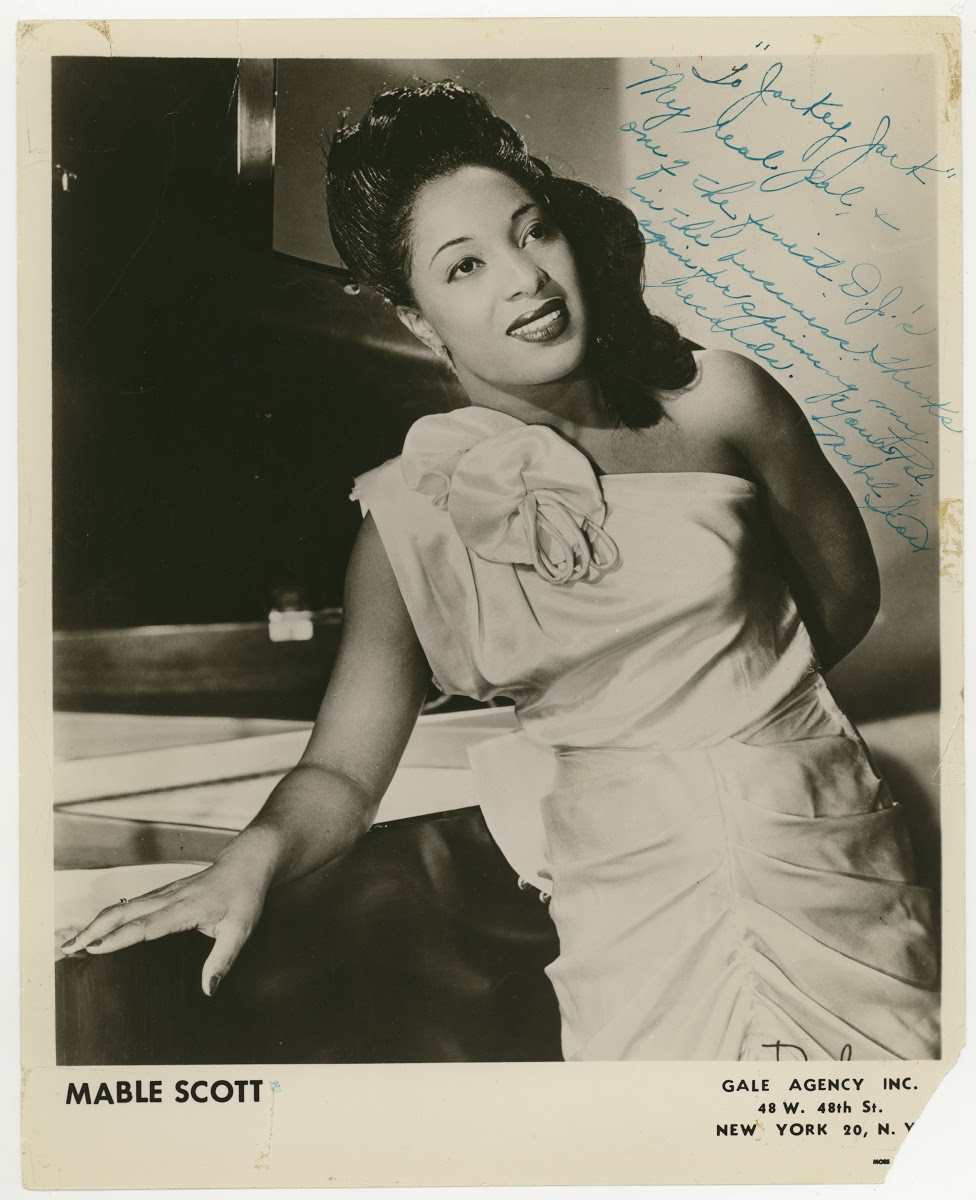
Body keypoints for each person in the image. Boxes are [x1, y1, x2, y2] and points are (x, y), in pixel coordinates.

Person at [63, 81, 940, 1062]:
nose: (525, 278)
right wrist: (247, 861)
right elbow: (342, 772)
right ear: (416, 319)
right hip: (629, 902)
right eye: (466, 265)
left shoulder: (724, 400)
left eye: (533, 232)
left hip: (823, 850)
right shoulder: (406, 519)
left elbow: (843, 597)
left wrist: (748, 724)